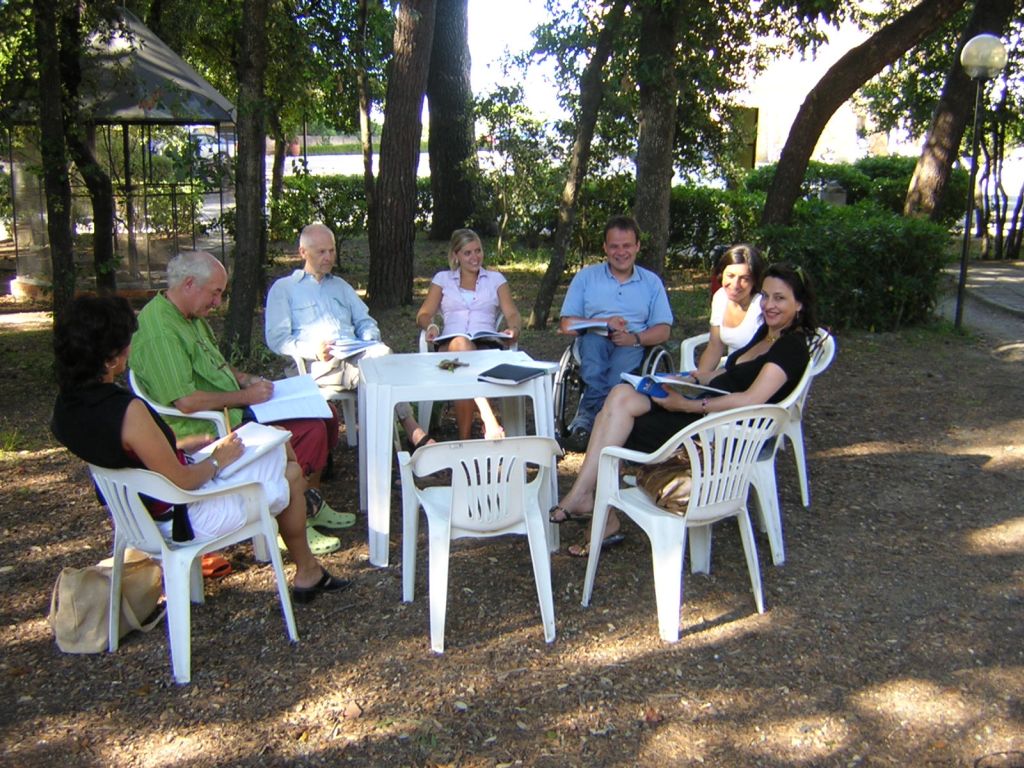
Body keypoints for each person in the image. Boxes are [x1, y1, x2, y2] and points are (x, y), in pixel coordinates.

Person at [51, 295, 349, 603]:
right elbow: (182, 481)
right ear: (110, 358)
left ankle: (308, 570)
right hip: (182, 517)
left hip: (135, 515)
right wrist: (218, 460)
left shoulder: (66, 409)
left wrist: (182, 447)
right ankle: (307, 571)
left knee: (278, 445)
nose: (131, 348)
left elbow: (126, 455)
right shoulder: (126, 412)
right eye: (127, 342)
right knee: (290, 471)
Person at [550, 263, 820, 555]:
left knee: (617, 422)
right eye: (765, 296)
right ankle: (588, 501)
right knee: (618, 396)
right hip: (703, 405)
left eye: (779, 298)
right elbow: (732, 374)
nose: (769, 305)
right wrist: (692, 378)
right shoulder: (768, 335)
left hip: (713, 429)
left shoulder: (791, 348)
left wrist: (688, 404)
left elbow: (750, 399)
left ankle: (591, 505)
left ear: (800, 304)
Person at [129, 250, 345, 555]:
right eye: (215, 293)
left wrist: (244, 378)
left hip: (234, 409)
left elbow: (214, 365)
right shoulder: (160, 332)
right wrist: (245, 396)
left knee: (328, 414)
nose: (218, 303)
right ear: (189, 284)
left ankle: (310, 499)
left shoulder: (188, 315)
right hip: (206, 427)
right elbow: (187, 402)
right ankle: (292, 520)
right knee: (308, 428)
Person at [265, 223, 432, 450]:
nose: (328, 257)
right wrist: (313, 349)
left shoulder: (340, 286)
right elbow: (277, 339)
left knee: (377, 361)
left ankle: (380, 446)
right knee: (378, 370)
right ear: (303, 252)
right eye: (321, 252)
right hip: (315, 367)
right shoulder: (284, 289)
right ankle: (406, 431)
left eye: (331, 251)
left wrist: (368, 339)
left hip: (354, 357)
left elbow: (365, 321)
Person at [558, 215, 673, 452]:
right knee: (593, 347)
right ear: (605, 248)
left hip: (631, 342)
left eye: (627, 245)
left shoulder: (651, 283)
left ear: (637, 246)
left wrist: (636, 339)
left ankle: (586, 426)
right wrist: (604, 322)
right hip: (592, 339)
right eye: (614, 246)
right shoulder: (586, 277)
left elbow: (663, 330)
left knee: (615, 377)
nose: (621, 252)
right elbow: (566, 325)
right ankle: (598, 426)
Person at [415, 228, 522, 439]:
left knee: (463, 365)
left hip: (486, 347)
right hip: (448, 348)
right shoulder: (443, 279)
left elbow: (512, 313)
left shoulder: (495, 279)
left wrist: (514, 329)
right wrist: (431, 327)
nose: (475, 257)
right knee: (461, 345)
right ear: (455, 256)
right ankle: (488, 417)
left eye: (478, 251)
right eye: (467, 253)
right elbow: (424, 314)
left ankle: (465, 440)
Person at [694, 244, 766, 373]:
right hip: (730, 372)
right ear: (721, 274)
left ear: (755, 281)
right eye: (731, 276)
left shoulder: (762, 306)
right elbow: (714, 347)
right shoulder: (721, 297)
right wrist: (698, 378)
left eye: (744, 278)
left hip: (753, 375)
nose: (735, 285)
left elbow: (760, 358)